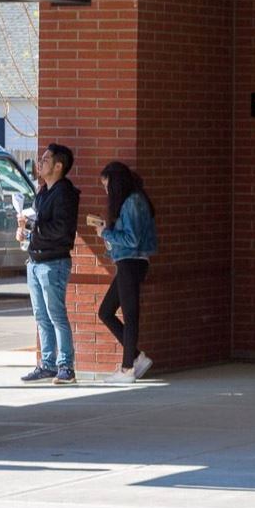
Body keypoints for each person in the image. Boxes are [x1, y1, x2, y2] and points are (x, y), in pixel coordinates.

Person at [17, 143, 80, 385]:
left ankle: (66, 366)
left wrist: (33, 227)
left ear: (58, 165)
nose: (40, 162)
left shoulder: (65, 193)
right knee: (40, 316)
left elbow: (61, 230)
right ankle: (47, 364)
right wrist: (26, 233)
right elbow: (40, 225)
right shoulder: (43, 192)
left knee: (56, 315)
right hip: (35, 260)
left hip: (53, 263)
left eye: (45, 159)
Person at [95, 162, 157, 384]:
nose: (106, 192)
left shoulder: (132, 202)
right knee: (106, 311)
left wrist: (106, 233)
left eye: (107, 186)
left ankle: (127, 368)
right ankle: (136, 357)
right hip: (129, 263)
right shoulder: (134, 201)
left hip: (131, 262)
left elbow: (131, 240)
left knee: (129, 315)